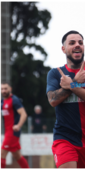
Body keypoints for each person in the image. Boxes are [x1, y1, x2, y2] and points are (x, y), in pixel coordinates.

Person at [46, 30, 85, 168]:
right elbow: (52, 100)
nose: (77, 45)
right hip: (65, 138)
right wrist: (75, 82)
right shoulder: (55, 73)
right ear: (64, 49)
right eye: (72, 42)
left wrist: (72, 85)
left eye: (80, 42)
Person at [1, 82, 29, 168]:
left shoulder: (14, 100)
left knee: (2, 154)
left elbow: (24, 114)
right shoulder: (3, 101)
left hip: (12, 133)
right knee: (17, 155)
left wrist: (18, 125)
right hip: (8, 132)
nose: (4, 91)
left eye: (6, 88)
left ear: (10, 89)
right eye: (2, 89)